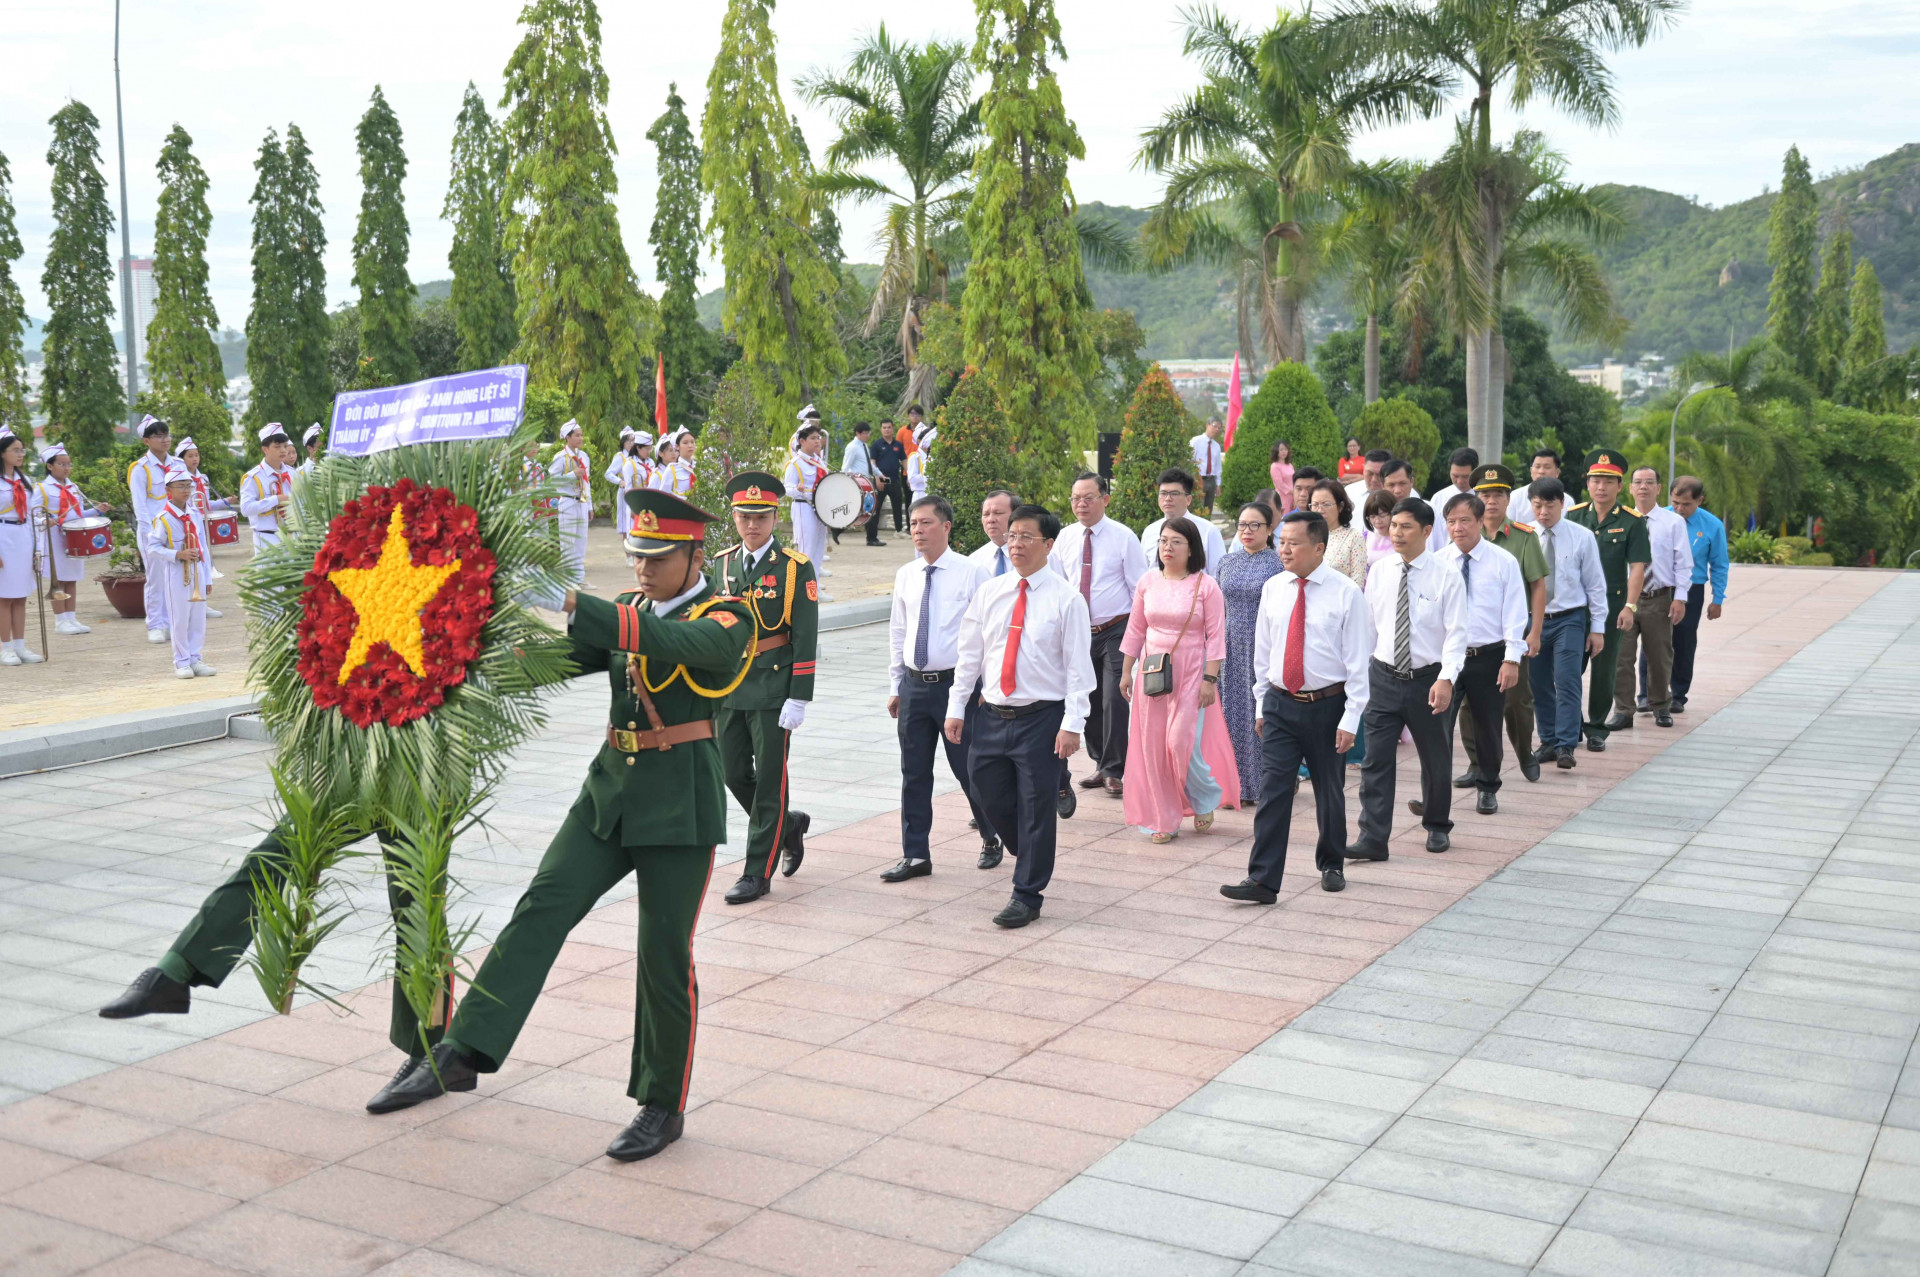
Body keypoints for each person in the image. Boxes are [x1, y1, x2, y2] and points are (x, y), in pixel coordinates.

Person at [359, 487, 754, 1164]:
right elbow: (555, 664)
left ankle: (662, 1101)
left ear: (693, 555)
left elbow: (673, 641)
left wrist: (577, 603)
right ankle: (464, 1049)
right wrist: (454, 658)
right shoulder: (628, 608)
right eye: (635, 555)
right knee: (541, 906)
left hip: (679, 806)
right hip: (610, 793)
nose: (642, 569)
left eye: (657, 557)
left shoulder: (728, 618)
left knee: (663, 955)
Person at [946, 504, 1095, 928]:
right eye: (1012, 536)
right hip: (991, 715)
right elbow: (970, 655)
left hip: (1041, 720)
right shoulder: (990, 592)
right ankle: (1029, 853)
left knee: (1035, 806)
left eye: (1026, 536)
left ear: (1048, 544)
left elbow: (1078, 671)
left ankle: (1027, 893)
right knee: (985, 791)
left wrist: (1073, 724)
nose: (1016, 544)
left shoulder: (1067, 600)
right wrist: (957, 707)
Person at [1223, 510, 1372, 902]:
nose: (1284, 549)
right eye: (1282, 541)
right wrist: (1260, 705)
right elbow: (1263, 650)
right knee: (1274, 791)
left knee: (1329, 789)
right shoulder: (1274, 587)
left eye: (1293, 543)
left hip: (1328, 706)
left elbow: (1359, 663)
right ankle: (1263, 880)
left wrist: (1351, 718)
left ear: (1319, 547)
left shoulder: (1346, 593)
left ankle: (1331, 862)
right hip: (1279, 705)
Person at [707, 472, 818, 905]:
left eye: (762, 516)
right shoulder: (722, 563)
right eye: (745, 516)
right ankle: (787, 825)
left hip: (774, 686)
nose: (752, 525)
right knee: (732, 773)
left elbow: (805, 635)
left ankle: (757, 871)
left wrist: (800, 694)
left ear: (776, 517)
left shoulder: (794, 567)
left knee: (770, 781)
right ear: (734, 517)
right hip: (730, 687)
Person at [885, 494, 999, 879]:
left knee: (968, 769)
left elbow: (987, 632)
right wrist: (895, 683)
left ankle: (990, 834)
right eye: (914, 523)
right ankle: (916, 855)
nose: (918, 530)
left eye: (925, 523)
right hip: (914, 686)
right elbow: (898, 630)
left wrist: (983, 685)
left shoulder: (971, 573)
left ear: (946, 527)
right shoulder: (906, 574)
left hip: (956, 689)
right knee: (913, 773)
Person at [1349, 497, 1466, 863]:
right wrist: (1359, 676)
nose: (1396, 532)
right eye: (1394, 526)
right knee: (1375, 760)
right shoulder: (1380, 570)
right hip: (1383, 676)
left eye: (1405, 527)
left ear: (1427, 531)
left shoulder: (1446, 575)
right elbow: (1368, 627)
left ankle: (1436, 824)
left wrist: (1447, 679)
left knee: (1435, 758)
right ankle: (1373, 837)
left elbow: (1456, 633)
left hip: (1428, 680)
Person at [1118, 516, 1237, 842]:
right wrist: (1126, 670)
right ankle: (1164, 819)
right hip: (1154, 674)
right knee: (1154, 748)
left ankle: (1204, 796)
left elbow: (1216, 637)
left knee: (1179, 743)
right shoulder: (1148, 582)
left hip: (1191, 674)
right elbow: (1136, 629)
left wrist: (1209, 680)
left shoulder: (1206, 586)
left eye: (1176, 542)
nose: (1167, 547)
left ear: (1191, 548)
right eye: (1163, 541)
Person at [1050, 471, 1149, 803]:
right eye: (1076, 498)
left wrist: (1140, 637)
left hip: (1116, 629)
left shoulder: (1123, 537)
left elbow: (1139, 588)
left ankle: (1115, 770)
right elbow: (1056, 584)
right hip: (1078, 631)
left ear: (1105, 499)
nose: (1081, 504)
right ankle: (1100, 761)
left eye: (1088, 497)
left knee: (1113, 698)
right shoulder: (1064, 538)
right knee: (1087, 699)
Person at [1432, 492, 1526, 815]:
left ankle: (1488, 787)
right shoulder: (1437, 564)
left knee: (1488, 726)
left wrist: (1512, 658)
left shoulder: (1503, 562)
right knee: (1437, 725)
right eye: (1451, 522)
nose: (1458, 528)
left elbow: (1515, 612)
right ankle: (1436, 792)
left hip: (1488, 656)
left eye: (1465, 521)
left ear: (1480, 521)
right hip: (1447, 659)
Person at [1458, 464, 1548, 786]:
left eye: (1497, 495)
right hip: (1471, 639)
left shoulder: (1523, 537)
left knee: (1516, 700)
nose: (1491, 501)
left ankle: (1525, 751)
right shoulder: (1464, 536)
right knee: (1469, 705)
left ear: (1508, 499)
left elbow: (1537, 586)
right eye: (1484, 494)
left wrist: (1534, 631)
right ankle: (1476, 764)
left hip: (1510, 637)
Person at [1567, 449, 1649, 751]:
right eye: (1595, 480)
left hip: (1613, 607)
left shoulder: (1632, 522)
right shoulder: (1574, 516)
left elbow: (1638, 566)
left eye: (1608, 481)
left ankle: (1597, 728)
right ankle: (1570, 725)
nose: (1601, 487)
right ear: (1587, 483)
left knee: (1604, 670)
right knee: (1569, 668)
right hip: (1574, 607)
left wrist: (1630, 606)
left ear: (1619, 485)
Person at [1528, 477, 1607, 768]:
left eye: (1550, 505)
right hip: (1534, 620)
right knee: (1538, 682)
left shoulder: (1582, 536)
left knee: (1567, 678)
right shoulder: (1525, 536)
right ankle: (1547, 740)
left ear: (1562, 503)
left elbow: (1596, 585)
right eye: (1538, 505)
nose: (1544, 512)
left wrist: (1597, 628)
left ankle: (1566, 745)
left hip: (1570, 618)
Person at [1614, 465, 1691, 729]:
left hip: (1658, 598)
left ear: (1659, 489)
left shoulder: (1673, 522)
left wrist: (1680, 598)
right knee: (1621, 657)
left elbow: (1683, 563)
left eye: (1649, 482)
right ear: (1630, 488)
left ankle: (1661, 705)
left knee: (1659, 655)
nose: (1643, 487)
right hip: (1624, 600)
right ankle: (1623, 710)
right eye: (1638, 482)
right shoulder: (1619, 520)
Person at [1218, 502, 1283, 803]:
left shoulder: (1278, 564)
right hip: (1230, 646)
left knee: (1258, 714)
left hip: (1263, 647)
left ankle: (1262, 784)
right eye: (1242, 524)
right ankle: (1234, 784)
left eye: (1255, 525)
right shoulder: (1226, 562)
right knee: (1230, 714)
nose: (1246, 530)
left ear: (1269, 529)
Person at [30, 443, 114, 636]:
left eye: (69, 464)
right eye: (62, 464)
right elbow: (31, 514)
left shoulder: (74, 487)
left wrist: (98, 510)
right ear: (50, 466)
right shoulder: (42, 489)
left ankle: (71, 617)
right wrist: (45, 520)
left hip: (74, 538)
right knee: (58, 579)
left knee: (72, 579)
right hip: (54, 539)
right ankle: (60, 621)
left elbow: (78, 514)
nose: (67, 468)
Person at [1662, 476, 1728, 714]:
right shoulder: (1660, 519)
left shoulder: (1712, 525)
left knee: (1683, 640)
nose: (1679, 509)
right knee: (1654, 640)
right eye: (1675, 502)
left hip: (1692, 589)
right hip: (1660, 587)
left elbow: (1719, 564)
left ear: (1700, 500)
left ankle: (1678, 694)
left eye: (1686, 504)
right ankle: (1649, 694)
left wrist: (1717, 599)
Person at [147, 463, 216, 680]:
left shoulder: (194, 514)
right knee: (180, 618)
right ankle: (181, 661)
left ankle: (196, 658)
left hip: (198, 571)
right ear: (168, 491)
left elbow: (203, 545)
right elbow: (152, 548)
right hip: (177, 573)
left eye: (189, 486)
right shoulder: (164, 518)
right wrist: (177, 554)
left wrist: (207, 576)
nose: (186, 491)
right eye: (180, 486)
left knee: (198, 618)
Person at [174, 438, 234, 619]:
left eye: (196, 455)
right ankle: (186, 602)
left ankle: (203, 601)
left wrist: (225, 502)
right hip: (184, 522)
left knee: (203, 560)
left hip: (199, 523)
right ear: (181, 459)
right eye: (190, 456)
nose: (195, 459)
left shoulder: (203, 479)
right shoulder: (180, 479)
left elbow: (205, 504)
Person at [128, 414, 174, 644]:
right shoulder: (140, 468)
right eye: (158, 436)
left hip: (175, 530)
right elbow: (140, 505)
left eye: (166, 434)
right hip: (152, 531)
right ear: (146, 441)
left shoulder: (177, 465)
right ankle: (155, 624)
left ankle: (170, 622)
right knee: (155, 579)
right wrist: (150, 535)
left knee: (174, 579)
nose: (164, 440)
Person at [0, 431, 40, 665]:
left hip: (23, 537)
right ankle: (6, 647)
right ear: (2, 453)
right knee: (4, 597)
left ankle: (20, 645)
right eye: (15, 450)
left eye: (22, 450)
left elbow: (33, 516)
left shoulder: (24, 481)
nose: (20, 454)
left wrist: (37, 549)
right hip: (3, 537)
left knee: (21, 596)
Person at [1139, 468, 1226, 575]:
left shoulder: (1208, 530)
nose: (1167, 498)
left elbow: (1219, 574)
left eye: (1174, 493)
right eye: (1163, 493)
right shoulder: (1150, 531)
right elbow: (1143, 572)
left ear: (1188, 499)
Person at [783, 425, 832, 593]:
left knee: (818, 551)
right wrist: (798, 489)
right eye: (813, 438)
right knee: (806, 552)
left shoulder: (818, 461)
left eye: (818, 438)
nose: (817, 441)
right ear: (802, 441)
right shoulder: (795, 463)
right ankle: (802, 592)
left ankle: (814, 589)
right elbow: (786, 488)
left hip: (819, 509)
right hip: (804, 508)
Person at [239, 424, 297, 556]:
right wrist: (276, 499)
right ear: (265, 449)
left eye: (284, 446)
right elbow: (246, 509)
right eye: (277, 447)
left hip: (292, 536)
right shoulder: (253, 477)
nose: (283, 450)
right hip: (267, 538)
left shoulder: (293, 474)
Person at [549, 419, 594, 589]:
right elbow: (552, 479)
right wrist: (571, 475)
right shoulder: (560, 457)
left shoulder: (584, 457)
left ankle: (579, 578)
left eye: (581, 435)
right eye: (577, 435)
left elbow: (587, 482)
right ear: (567, 437)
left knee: (581, 540)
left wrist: (589, 505)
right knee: (568, 541)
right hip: (567, 501)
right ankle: (567, 580)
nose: (581, 438)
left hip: (581, 501)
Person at [1310, 479, 1367, 588]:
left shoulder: (1353, 537)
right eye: (1315, 504)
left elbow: (1357, 582)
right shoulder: (1306, 536)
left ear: (1340, 507)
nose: (1319, 509)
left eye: (1326, 504)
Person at [1424, 448, 1479, 553]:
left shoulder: (1484, 497)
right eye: (1455, 476)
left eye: (1465, 477)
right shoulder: (1439, 498)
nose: (1460, 481)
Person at [842, 421, 887, 547]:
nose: (867, 436)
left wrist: (879, 474)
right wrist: (843, 481)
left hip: (867, 481)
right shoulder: (852, 447)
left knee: (870, 509)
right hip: (858, 481)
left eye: (868, 433)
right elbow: (846, 466)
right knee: (867, 508)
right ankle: (871, 537)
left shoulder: (864, 446)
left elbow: (870, 465)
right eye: (865, 433)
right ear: (858, 433)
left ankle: (872, 537)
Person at [969, 488, 1018, 581]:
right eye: (986, 514)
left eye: (998, 513)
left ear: (1016, 515)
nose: (991, 520)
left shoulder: (1036, 555)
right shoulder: (974, 560)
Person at [873, 420, 907, 532]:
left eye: (889, 427)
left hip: (895, 479)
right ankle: (873, 532)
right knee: (876, 507)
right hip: (881, 479)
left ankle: (899, 530)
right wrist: (877, 478)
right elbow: (872, 463)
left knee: (897, 506)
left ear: (893, 429)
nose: (887, 429)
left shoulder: (898, 445)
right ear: (881, 429)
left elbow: (904, 461)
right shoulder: (877, 444)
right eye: (884, 427)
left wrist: (909, 475)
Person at [1190, 419, 1224, 513]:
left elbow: (1218, 467)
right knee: (1197, 509)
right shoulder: (1195, 441)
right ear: (1207, 425)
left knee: (1208, 510)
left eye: (1219, 428)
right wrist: (1195, 478)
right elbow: (1190, 461)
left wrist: (1218, 484)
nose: (1217, 429)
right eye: (1215, 426)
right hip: (1198, 479)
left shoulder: (1216, 446)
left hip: (1211, 481)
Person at [1514, 448, 1561, 513]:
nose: (1541, 471)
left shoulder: (1567, 501)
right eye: (1537, 467)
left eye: (1547, 467)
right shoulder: (1515, 497)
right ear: (1531, 471)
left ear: (1557, 472)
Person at [1362, 489, 1396, 566]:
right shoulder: (1365, 538)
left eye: (1382, 515)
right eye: (1372, 516)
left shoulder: (1404, 537)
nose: (1377, 521)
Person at [1269, 440, 1295, 512]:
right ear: (1276, 451)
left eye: (1285, 449)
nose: (1284, 452)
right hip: (1283, 497)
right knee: (1284, 517)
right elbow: (1279, 484)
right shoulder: (1274, 466)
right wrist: (1292, 491)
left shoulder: (1289, 465)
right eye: (1281, 450)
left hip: (1293, 496)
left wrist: (1296, 491)